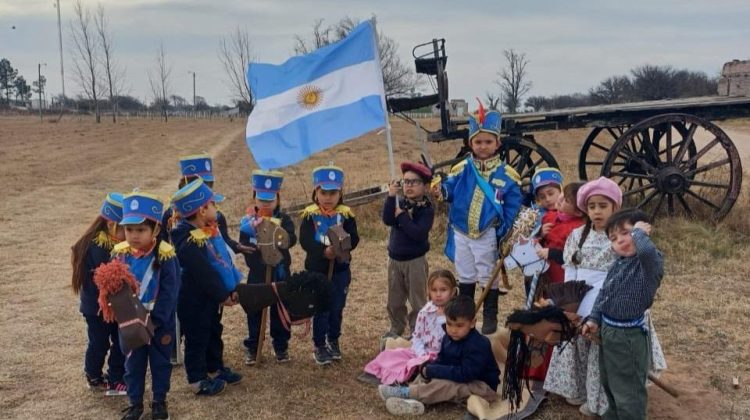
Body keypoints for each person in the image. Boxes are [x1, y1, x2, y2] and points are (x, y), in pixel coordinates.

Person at [543, 177, 666, 417]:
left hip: (621, 314)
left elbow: (645, 256)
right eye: (592, 206)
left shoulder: (635, 252)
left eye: (603, 206)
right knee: (592, 356)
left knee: (612, 364)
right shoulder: (578, 235)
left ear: (615, 207)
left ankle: (606, 404)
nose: (597, 211)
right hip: (587, 302)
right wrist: (571, 302)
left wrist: (638, 233)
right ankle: (583, 391)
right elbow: (571, 267)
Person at [432, 102, 523, 334]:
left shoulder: (508, 176)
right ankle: (465, 315)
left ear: (497, 144)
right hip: (462, 230)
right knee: (465, 273)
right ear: (470, 143)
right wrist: (440, 189)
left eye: (488, 141)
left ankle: (489, 315)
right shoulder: (461, 169)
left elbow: (512, 206)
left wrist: (506, 233)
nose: (483, 146)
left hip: (487, 232)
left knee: (487, 273)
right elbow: (450, 190)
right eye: (478, 141)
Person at [582, 209, 663, 420]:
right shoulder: (618, 264)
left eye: (626, 233)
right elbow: (604, 295)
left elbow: (645, 251)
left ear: (644, 232)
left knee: (629, 390)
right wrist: (593, 318)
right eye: (614, 238)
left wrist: (638, 233)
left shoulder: (648, 264)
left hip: (629, 337)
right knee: (610, 382)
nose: (621, 241)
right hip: (609, 332)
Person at [171, 179, 244, 396]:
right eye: (214, 205)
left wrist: (229, 287)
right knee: (197, 338)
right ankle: (197, 379)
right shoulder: (188, 243)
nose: (216, 209)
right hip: (194, 302)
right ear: (202, 210)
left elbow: (221, 264)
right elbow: (206, 274)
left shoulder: (207, 232)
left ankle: (215, 367)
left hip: (209, 299)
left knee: (214, 332)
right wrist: (222, 295)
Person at [113, 192, 180, 420]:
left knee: (160, 363)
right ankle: (135, 403)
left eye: (141, 230)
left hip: (159, 321)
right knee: (133, 364)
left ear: (156, 230)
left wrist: (158, 318)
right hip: (131, 323)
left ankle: (159, 401)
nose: (133, 235)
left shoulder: (166, 256)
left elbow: (171, 291)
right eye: (129, 230)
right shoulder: (119, 254)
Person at [377, 295, 500, 416]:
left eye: (459, 325)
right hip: (457, 377)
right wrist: (428, 368)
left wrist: (435, 370)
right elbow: (443, 359)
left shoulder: (479, 344)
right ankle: (410, 398)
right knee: (427, 373)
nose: (453, 330)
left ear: (472, 323)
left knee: (447, 385)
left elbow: (465, 374)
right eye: (449, 323)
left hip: (482, 386)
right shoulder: (448, 337)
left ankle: (408, 394)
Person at [299, 165, 359, 365]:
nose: (328, 197)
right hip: (318, 271)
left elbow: (355, 239)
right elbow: (306, 241)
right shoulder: (309, 215)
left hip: (340, 270)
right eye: (323, 192)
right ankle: (319, 344)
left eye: (333, 192)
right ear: (316, 192)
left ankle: (333, 340)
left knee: (337, 307)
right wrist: (323, 252)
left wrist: (342, 247)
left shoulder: (346, 215)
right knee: (321, 308)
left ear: (340, 193)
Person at [71, 192, 127, 395]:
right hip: (97, 308)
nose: (130, 234)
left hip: (112, 305)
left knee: (120, 341)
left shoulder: (113, 243)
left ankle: (116, 377)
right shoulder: (99, 246)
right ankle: (93, 375)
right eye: (126, 229)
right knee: (99, 342)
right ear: (112, 225)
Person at [239, 170, 297, 364]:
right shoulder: (248, 224)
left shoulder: (285, 220)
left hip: (280, 273)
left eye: (270, 200)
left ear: (278, 200)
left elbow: (291, 239)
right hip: (258, 274)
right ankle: (254, 346)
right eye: (261, 199)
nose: (265, 204)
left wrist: (279, 238)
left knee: (281, 312)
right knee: (255, 312)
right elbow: (245, 246)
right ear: (254, 198)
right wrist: (259, 261)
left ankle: (281, 346)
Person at [364, 270, 456, 384]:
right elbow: (417, 338)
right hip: (423, 353)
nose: (438, 294)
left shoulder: (456, 314)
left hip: (444, 357)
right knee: (391, 356)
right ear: (429, 291)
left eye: (443, 290)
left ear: (452, 292)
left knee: (424, 367)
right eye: (434, 290)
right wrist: (422, 355)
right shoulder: (425, 312)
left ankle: (417, 375)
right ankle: (412, 371)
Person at [382, 161, 435, 341]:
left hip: (415, 261)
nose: (408, 186)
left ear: (425, 186)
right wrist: (391, 197)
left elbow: (418, 234)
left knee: (417, 300)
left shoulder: (426, 209)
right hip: (395, 259)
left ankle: (417, 331)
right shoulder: (400, 202)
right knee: (394, 299)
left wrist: (403, 217)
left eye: (414, 182)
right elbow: (388, 219)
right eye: (405, 182)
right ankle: (396, 327)